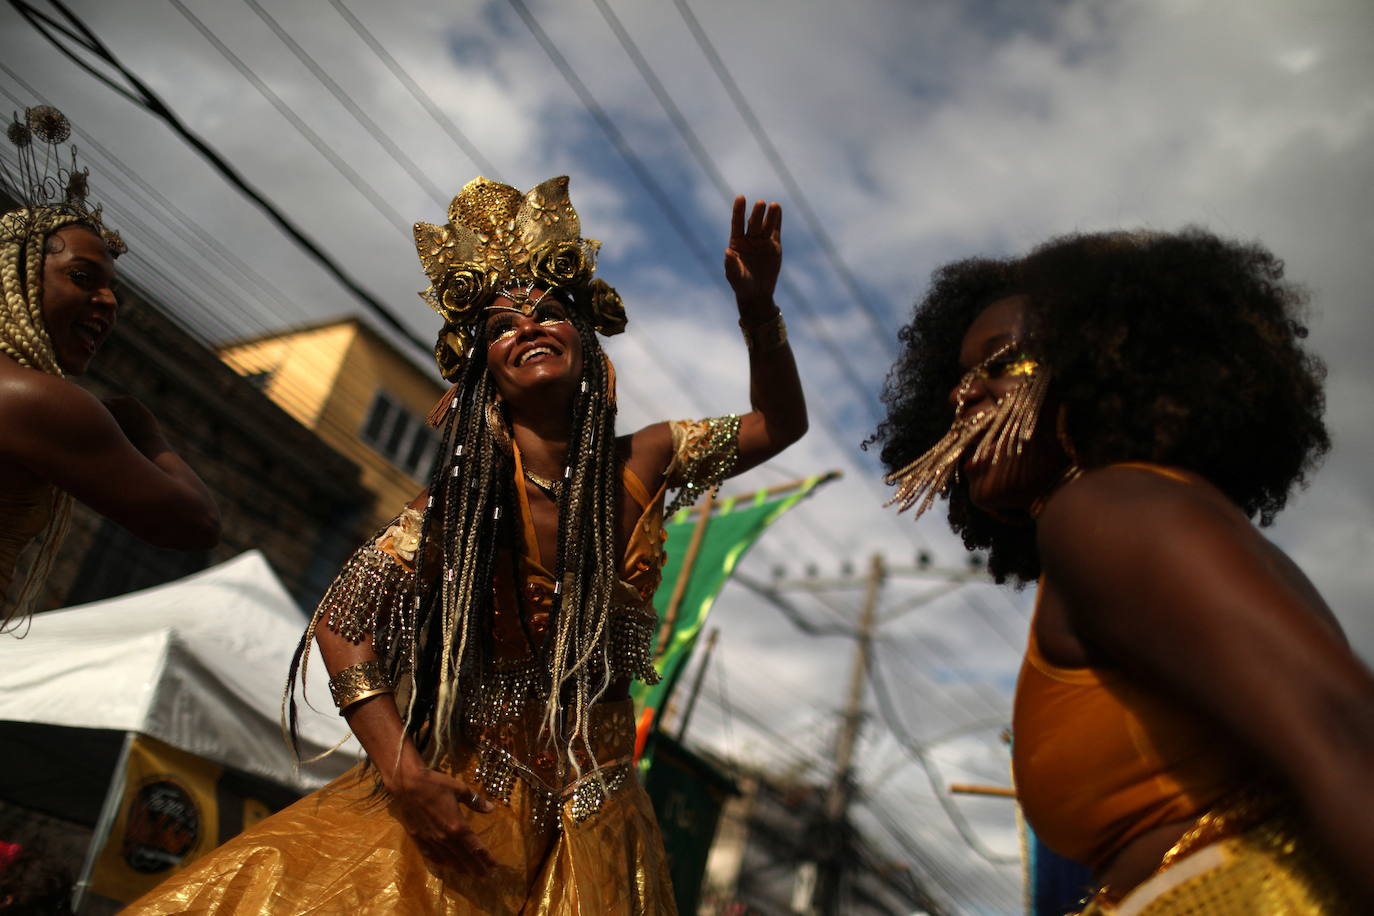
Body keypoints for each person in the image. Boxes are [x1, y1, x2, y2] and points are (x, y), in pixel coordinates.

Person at [126, 176, 807, 914]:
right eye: (503, 325)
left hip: (605, 809)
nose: (530, 327)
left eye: (550, 312)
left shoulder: (649, 457)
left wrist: (758, 309)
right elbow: (341, 620)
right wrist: (403, 773)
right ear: (482, 368)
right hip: (477, 797)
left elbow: (779, 424)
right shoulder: (463, 502)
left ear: (586, 338)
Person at [869, 229, 1374, 912]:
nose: (966, 396)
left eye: (1003, 364)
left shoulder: (1108, 507)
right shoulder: (1106, 528)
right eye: (959, 380)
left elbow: (1345, 733)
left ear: (1095, 370)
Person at [0, 106, 220, 628]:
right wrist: (149, 436)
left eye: (113, 290)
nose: (107, 302)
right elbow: (195, 523)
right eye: (82, 277)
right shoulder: (33, 400)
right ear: (17, 276)